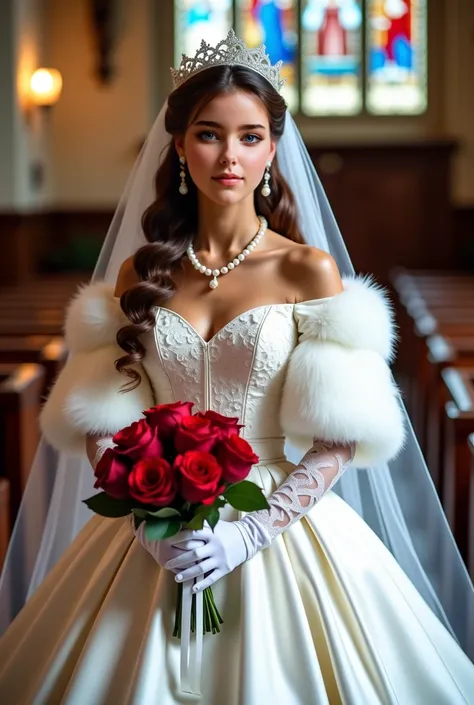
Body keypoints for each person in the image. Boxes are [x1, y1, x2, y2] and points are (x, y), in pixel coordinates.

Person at [0, 30, 473, 704]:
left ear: (273, 150)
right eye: (210, 134)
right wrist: (150, 525)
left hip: (276, 521)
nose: (231, 155)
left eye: (250, 136)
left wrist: (249, 529)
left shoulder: (305, 268)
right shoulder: (142, 272)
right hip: (157, 519)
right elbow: (99, 418)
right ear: (181, 148)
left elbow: (340, 435)